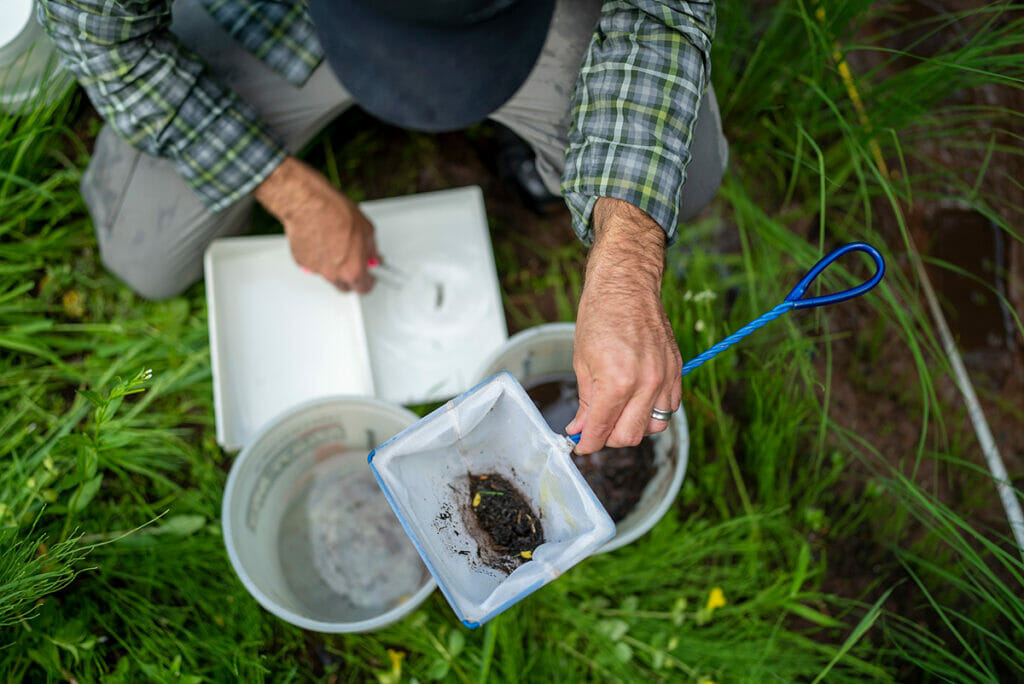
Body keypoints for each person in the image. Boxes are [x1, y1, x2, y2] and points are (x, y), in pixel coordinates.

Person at [37, 0, 727, 455]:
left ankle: (543, 144)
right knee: (146, 253)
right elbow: (108, 45)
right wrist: (285, 188)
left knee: (679, 176)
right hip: (270, 14)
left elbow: (660, 9)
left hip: (528, 17)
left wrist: (626, 260)